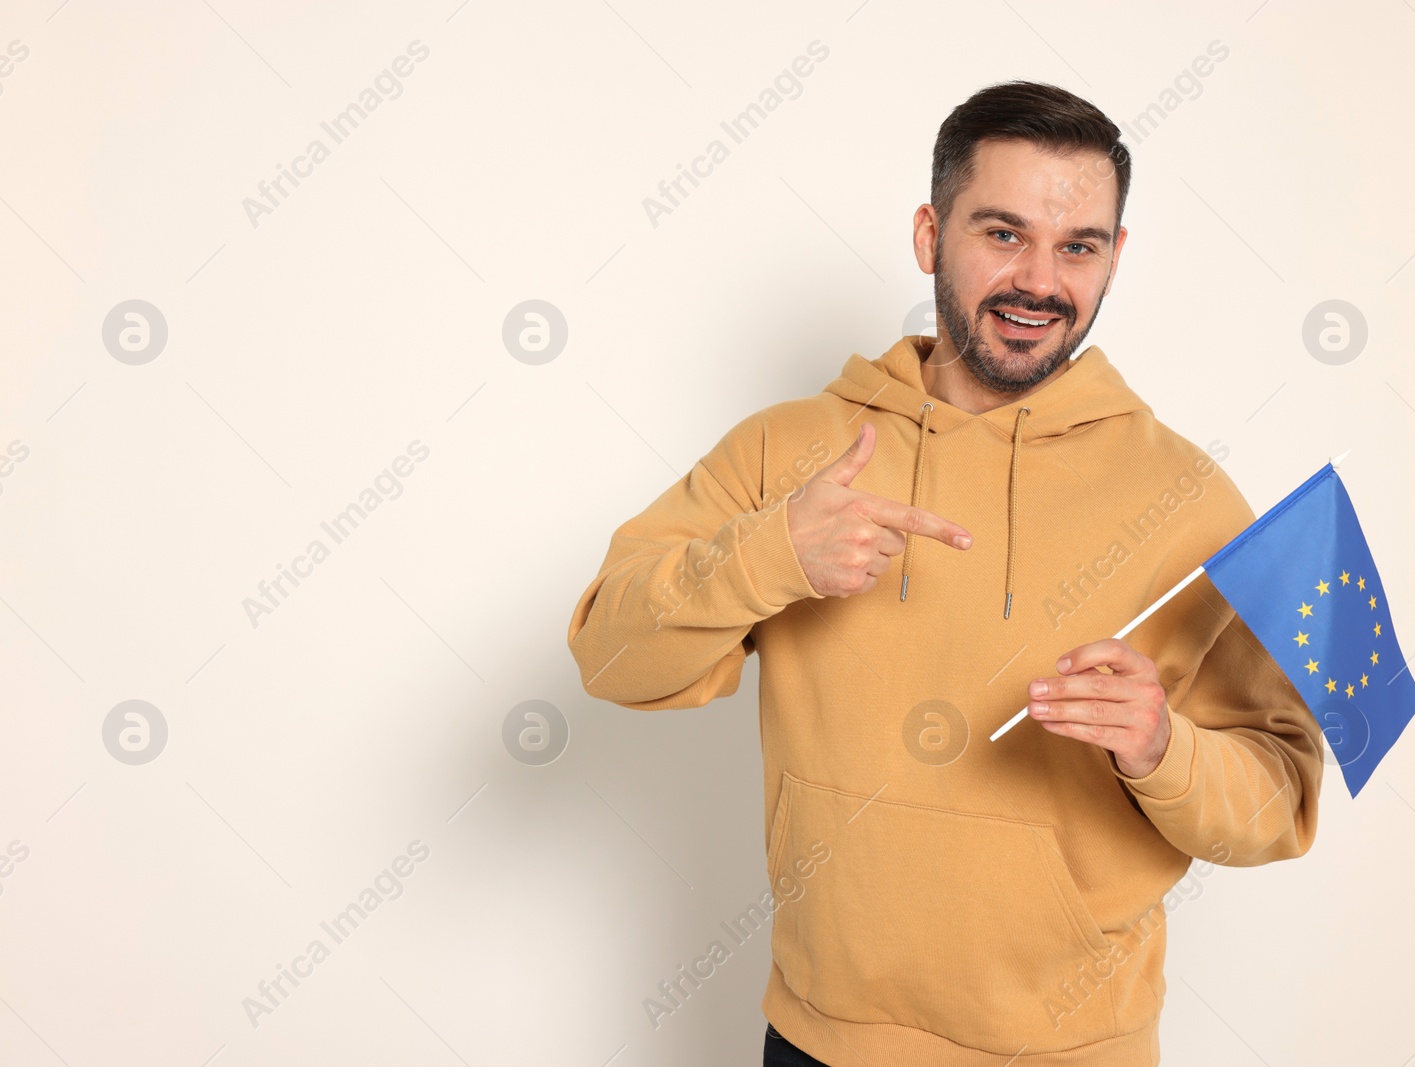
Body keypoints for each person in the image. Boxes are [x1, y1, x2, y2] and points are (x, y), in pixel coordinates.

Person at [567, 80, 1324, 1067]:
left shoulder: (1185, 496)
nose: (1039, 281)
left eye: (1077, 245)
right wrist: (767, 556)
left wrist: (1160, 745)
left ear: (1115, 256)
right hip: (818, 1036)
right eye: (1002, 234)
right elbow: (609, 657)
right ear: (930, 235)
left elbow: (1280, 798)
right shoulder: (785, 451)